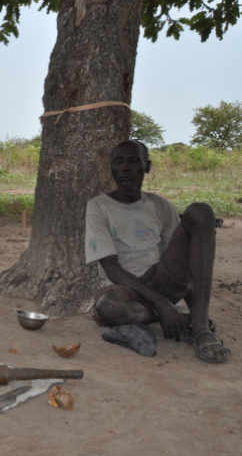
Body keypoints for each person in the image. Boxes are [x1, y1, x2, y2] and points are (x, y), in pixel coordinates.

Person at [85, 140, 230, 363]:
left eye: (133, 161)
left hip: (161, 279)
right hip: (127, 287)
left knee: (201, 211)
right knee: (108, 307)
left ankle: (200, 327)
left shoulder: (161, 206)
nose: (125, 168)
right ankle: (181, 319)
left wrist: (194, 310)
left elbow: (182, 262)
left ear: (147, 166)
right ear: (112, 168)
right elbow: (111, 268)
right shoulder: (98, 207)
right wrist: (162, 305)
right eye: (119, 162)